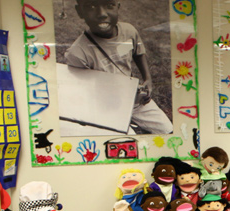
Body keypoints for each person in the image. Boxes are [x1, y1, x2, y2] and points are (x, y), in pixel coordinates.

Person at [64, 0, 173, 135]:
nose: (102, 14)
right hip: (104, 105)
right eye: (91, 7)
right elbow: (81, 93)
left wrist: (147, 79)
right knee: (127, 141)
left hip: (134, 98)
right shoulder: (77, 53)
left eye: (109, 5)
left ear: (118, 7)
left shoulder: (129, 31)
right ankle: (128, 126)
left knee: (167, 129)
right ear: (79, 11)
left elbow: (138, 53)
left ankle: (132, 122)